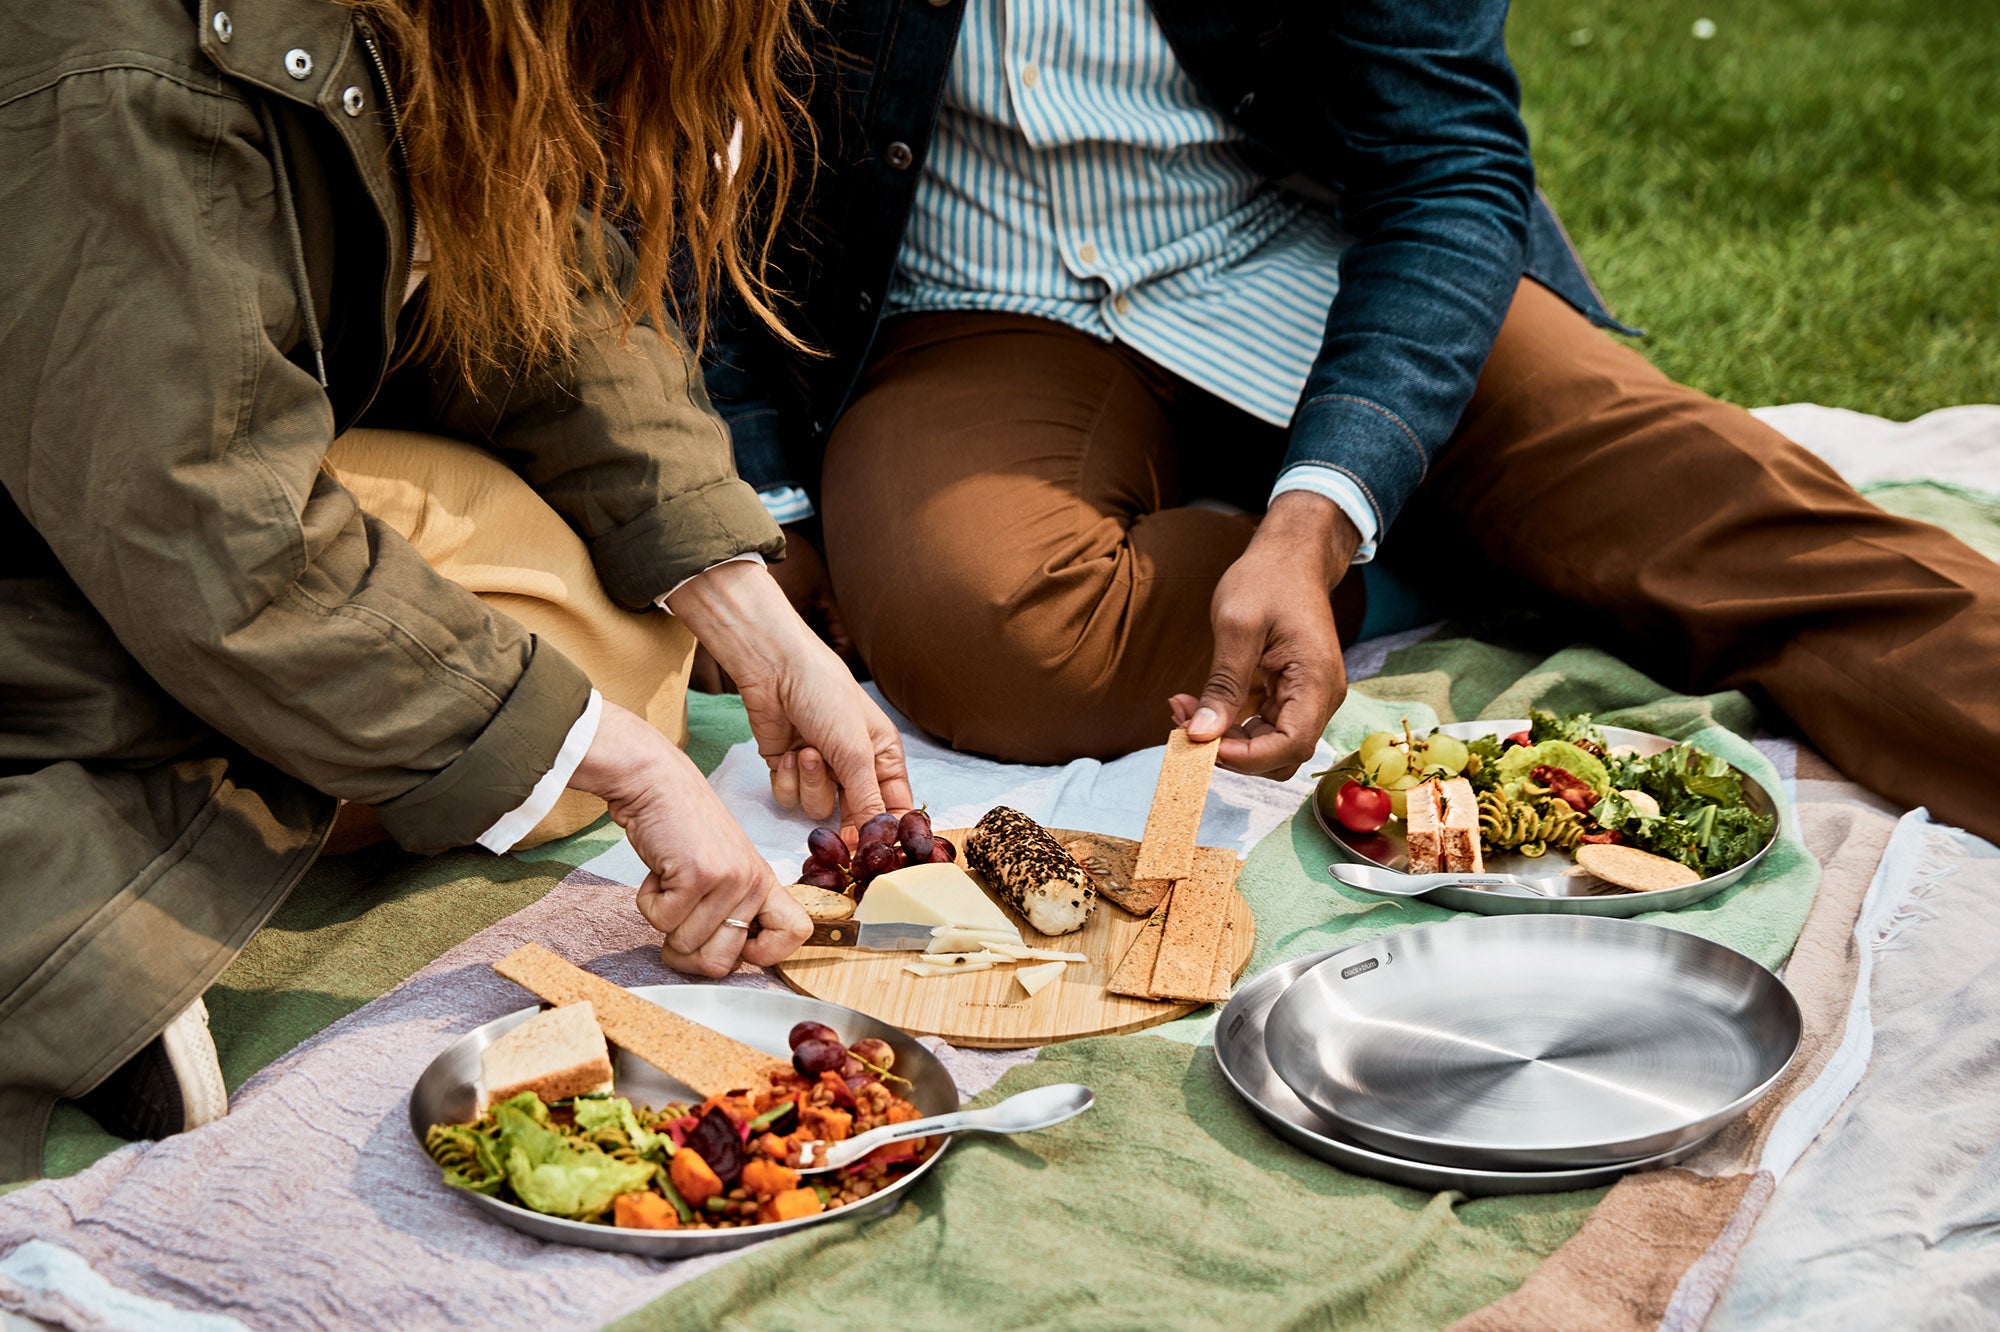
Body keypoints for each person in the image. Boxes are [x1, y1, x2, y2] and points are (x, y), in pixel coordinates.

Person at [704, 0, 2000, 842]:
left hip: (1314, 245)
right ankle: (1452, 544)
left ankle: (1399, 515)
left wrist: (1327, 505)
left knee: (1723, 511)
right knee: (981, 630)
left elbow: (1448, 164)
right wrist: (768, 495)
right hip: (973, 300)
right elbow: (656, 162)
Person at [0, 0, 908, 1181]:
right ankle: (95, 915)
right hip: (74, 528)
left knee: (611, 659)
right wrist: (627, 772)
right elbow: (207, 527)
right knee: (561, 728)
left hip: (138, 476)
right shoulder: (120, 74)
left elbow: (540, 295)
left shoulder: (436, 33)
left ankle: (187, 812)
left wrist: (752, 616)